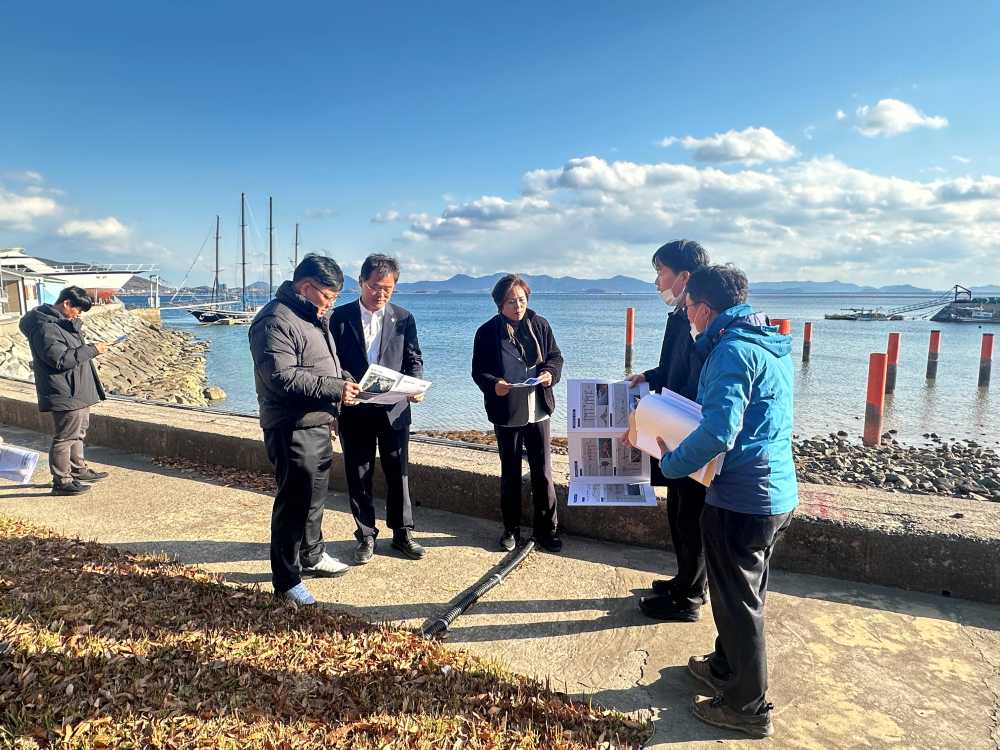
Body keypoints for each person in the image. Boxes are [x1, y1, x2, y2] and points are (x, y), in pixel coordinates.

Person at [656, 264, 797, 739]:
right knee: (743, 595)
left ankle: (747, 706)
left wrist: (671, 463)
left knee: (739, 605)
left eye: (689, 305)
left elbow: (719, 431)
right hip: (774, 493)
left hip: (742, 498)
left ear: (706, 307)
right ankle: (723, 666)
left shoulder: (731, 352)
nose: (686, 315)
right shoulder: (766, 343)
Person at [249, 254, 361, 606]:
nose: (331, 304)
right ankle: (286, 580)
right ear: (306, 287)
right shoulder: (274, 320)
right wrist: (334, 390)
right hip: (291, 427)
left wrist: (344, 380)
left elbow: (319, 364)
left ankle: (312, 554)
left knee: (315, 497)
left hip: (317, 422)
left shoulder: (310, 316)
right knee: (293, 503)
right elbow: (281, 377)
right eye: (328, 296)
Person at [628, 240, 711, 622]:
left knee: (690, 512)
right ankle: (685, 580)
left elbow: (698, 376)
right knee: (678, 508)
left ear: (685, 277)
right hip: (676, 420)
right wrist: (650, 376)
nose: (657, 280)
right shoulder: (680, 315)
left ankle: (690, 598)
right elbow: (673, 368)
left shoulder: (700, 319)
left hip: (689, 426)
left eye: (661, 272)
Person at [331, 253, 425, 565]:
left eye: (387, 288)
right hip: (355, 408)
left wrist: (415, 385)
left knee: (399, 473)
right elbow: (331, 362)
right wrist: (346, 383)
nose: (380, 293)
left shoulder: (404, 317)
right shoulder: (339, 318)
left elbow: (413, 358)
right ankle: (366, 535)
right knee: (359, 473)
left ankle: (402, 533)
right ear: (360, 283)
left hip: (394, 409)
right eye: (374, 286)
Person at [472, 274, 564, 552]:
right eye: (511, 301)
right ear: (500, 304)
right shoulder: (487, 332)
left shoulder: (540, 324)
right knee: (510, 471)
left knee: (543, 473)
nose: (517, 306)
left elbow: (555, 357)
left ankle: (547, 530)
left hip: (538, 409)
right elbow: (479, 371)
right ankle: (510, 529)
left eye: (522, 300)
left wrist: (549, 374)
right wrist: (494, 385)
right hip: (507, 410)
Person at [19, 286, 110, 496]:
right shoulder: (44, 327)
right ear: (66, 303)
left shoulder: (60, 323)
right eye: (77, 310)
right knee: (65, 437)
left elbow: (70, 349)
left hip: (76, 388)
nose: (78, 314)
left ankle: (78, 470)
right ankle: (61, 481)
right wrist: (93, 349)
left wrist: (74, 324)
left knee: (78, 433)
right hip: (64, 389)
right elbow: (60, 360)